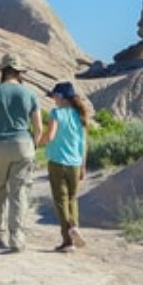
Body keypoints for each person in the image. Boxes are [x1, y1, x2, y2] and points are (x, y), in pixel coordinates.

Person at [0, 52, 41, 252]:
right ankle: (17, 237)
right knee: (19, 192)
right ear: (20, 73)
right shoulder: (29, 93)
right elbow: (38, 127)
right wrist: (34, 145)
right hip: (23, 145)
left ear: (2, 71)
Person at [40, 82, 91, 252]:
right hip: (75, 163)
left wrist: (38, 141)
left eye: (54, 95)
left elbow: (51, 135)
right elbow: (84, 144)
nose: (53, 99)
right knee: (72, 198)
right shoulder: (80, 115)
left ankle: (68, 240)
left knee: (61, 201)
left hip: (57, 161)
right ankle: (75, 226)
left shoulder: (56, 113)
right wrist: (83, 167)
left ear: (60, 97)